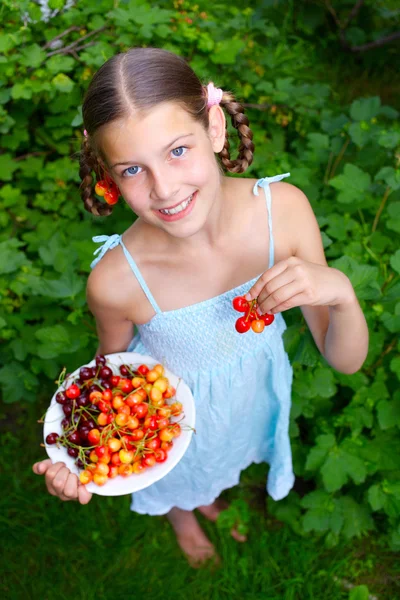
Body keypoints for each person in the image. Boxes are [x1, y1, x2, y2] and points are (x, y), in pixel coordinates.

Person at [33, 47, 369, 566]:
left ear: (214, 128)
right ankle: (182, 514)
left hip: (246, 397)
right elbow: (110, 379)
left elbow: (344, 359)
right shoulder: (116, 282)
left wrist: (341, 293)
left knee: (221, 457)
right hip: (170, 416)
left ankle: (206, 495)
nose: (164, 189)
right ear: (107, 174)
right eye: (131, 169)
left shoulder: (284, 213)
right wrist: (74, 455)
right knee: (182, 473)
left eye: (177, 151)